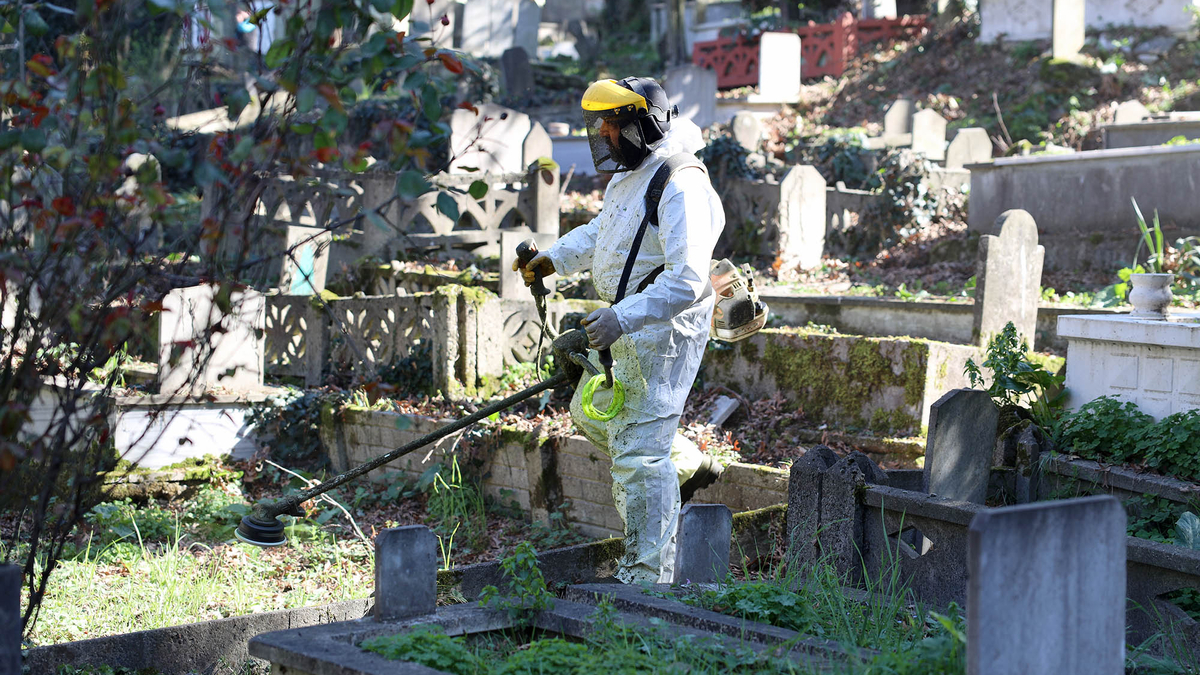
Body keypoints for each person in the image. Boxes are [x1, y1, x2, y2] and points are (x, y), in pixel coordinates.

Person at [513, 77, 724, 584]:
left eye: (612, 124)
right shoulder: (633, 174)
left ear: (643, 124)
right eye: (600, 124)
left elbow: (690, 279)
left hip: (664, 329)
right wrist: (553, 259)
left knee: (637, 457)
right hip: (628, 320)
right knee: (588, 413)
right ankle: (685, 462)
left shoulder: (682, 183)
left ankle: (647, 579)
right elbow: (606, 231)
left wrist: (621, 317)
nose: (603, 134)